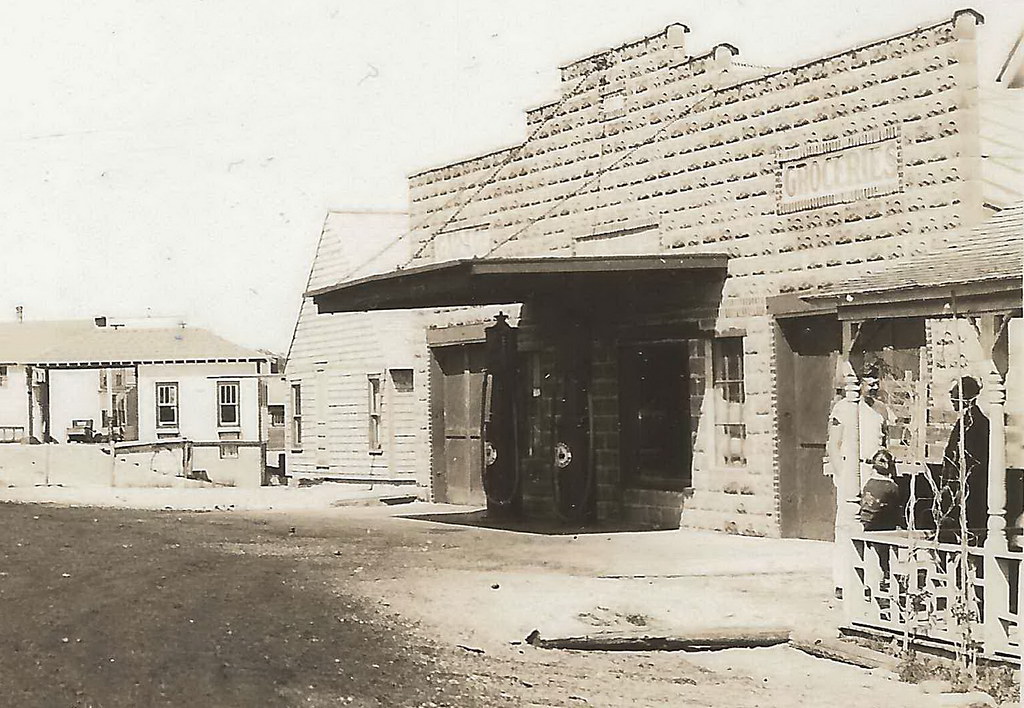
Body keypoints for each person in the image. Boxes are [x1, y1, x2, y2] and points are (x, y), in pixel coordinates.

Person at [935, 376, 990, 542]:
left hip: (970, 487)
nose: (952, 400)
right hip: (959, 486)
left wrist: (961, 486)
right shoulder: (965, 421)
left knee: (970, 525)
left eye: (955, 396)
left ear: (965, 397)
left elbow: (975, 459)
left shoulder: (977, 423)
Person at [825, 362, 888, 490]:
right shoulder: (843, 407)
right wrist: (841, 474)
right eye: (871, 385)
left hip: (876, 473)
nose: (875, 388)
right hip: (852, 470)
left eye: (877, 383)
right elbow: (833, 445)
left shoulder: (881, 408)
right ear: (859, 384)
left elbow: (885, 441)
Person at [858, 449, 903, 531]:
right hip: (879, 524)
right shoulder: (891, 486)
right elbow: (895, 508)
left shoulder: (868, 483)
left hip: (865, 521)